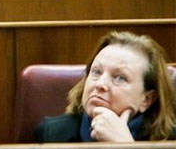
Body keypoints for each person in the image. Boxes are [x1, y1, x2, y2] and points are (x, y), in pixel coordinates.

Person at [34, 31, 176, 142]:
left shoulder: (170, 142)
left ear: (146, 99)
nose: (100, 84)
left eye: (120, 78)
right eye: (96, 72)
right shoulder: (51, 134)